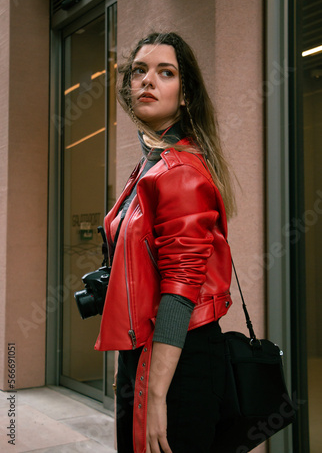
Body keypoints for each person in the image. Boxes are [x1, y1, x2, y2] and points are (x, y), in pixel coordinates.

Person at [95, 32, 236, 453]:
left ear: (186, 95)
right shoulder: (149, 165)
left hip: (181, 360)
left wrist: (156, 396)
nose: (147, 81)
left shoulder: (178, 171)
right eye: (139, 71)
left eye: (165, 72)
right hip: (151, 354)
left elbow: (180, 290)